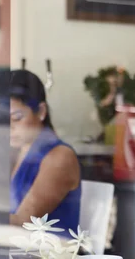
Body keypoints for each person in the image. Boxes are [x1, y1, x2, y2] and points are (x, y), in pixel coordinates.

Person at [10, 69, 82, 236]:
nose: (8, 127)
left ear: (41, 112)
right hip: (14, 250)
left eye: (16, 118)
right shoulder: (18, 151)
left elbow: (23, 222)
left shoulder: (60, 157)